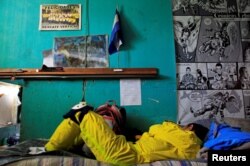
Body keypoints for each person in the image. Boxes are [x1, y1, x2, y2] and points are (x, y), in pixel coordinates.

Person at [45, 102, 208, 165]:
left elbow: (155, 128)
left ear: (190, 127)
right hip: (126, 150)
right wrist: (141, 136)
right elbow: (153, 137)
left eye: (182, 125)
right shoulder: (182, 145)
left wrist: (167, 126)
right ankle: (59, 147)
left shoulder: (188, 139)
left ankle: (50, 149)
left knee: (84, 112)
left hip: (124, 155)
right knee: (84, 123)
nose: (177, 125)